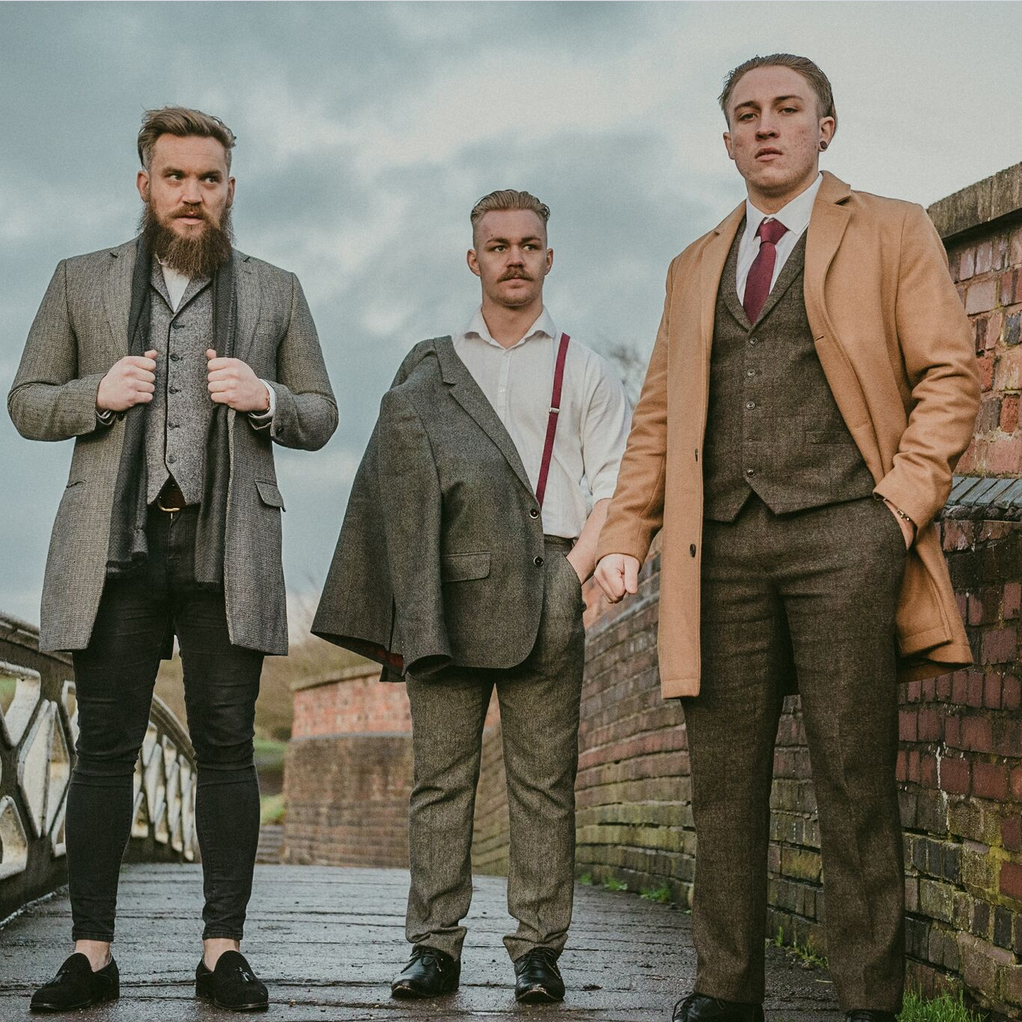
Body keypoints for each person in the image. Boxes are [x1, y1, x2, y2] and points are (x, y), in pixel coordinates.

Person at [593, 55, 980, 1022]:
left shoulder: (891, 228)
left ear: (825, 127)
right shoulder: (692, 265)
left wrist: (896, 511)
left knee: (852, 779)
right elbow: (657, 418)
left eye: (786, 109)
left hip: (847, 535)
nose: (766, 126)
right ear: (727, 139)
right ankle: (725, 990)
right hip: (717, 553)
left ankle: (867, 1002)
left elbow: (949, 375)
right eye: (746, 113)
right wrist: (626, 531)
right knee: (722, 787)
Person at [9, 106, 337, 1013]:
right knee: (105, 749)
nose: (193, 194)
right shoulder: (79, 278)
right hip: (114, 547)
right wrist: (97, 393)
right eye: (176, 177)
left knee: (228, 748)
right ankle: (91, 956)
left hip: (228, 546)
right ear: (144, 183)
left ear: (230, 188)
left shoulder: (277, 289)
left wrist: (266, 397)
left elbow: (321, 413)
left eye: (209, 179)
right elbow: (26, 401)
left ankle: (221, 952)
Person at [313, 189, 629, 1004]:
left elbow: (616, 487)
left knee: (544, 783)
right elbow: (393, 487)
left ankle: (538, 951)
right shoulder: (431, 365)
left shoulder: (583, 367)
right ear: (473, 259)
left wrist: (569, 577)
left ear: (549, 256)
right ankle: (433, 947)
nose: (514, 258)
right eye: (498, 246)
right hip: (444, 590)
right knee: (440, 779)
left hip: (548, 579)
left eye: (528, 244)